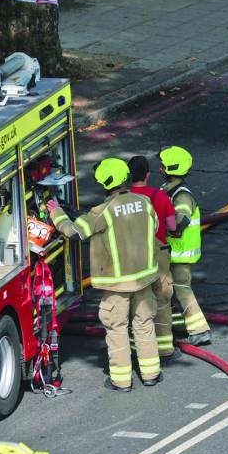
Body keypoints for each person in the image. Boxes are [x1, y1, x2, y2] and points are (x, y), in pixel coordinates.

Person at [46, 158, 163, 391]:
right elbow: (156, 227)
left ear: (105, 184)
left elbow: (75, 232)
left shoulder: (102, 212)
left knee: (117, 329)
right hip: (145, 278)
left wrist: (57, 214)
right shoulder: (144, 202)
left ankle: (121, 380)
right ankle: (151, 373)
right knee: (144, 324)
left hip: (117, 285)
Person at [158, 145, 212, 347]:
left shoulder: (182, 196)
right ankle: (179, 325)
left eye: (163, 166)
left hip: (180, 253)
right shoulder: (168, 190)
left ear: (171, 168)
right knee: (169, 291)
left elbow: (180, 222)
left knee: (182, 290)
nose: (160, 169)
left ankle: (200, 331)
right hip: (172, 252)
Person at [128, 154, 180, 359]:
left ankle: (136, 347)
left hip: (132, 255)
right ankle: (165, 347)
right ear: (148, 175)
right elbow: (172, 227)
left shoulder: (123, 199)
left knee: (137, 302)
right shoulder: (160, 197)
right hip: (158, 254)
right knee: (162, 299)